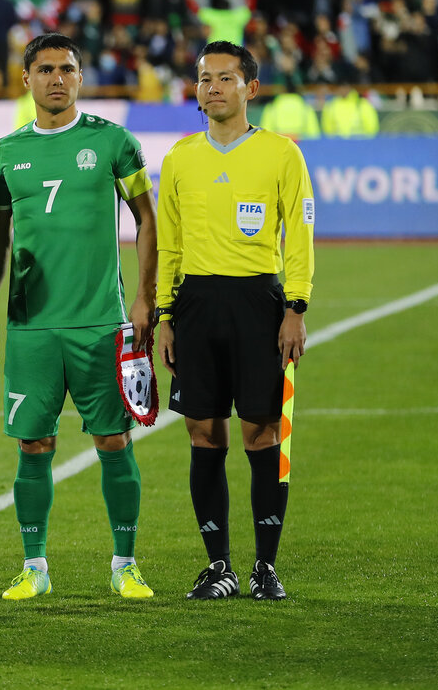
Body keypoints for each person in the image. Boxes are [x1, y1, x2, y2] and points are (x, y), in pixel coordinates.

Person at [0, 33, 158, 601]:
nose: (58, 78)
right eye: (46, 69)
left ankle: (125, 563)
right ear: (25, 78)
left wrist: (145, 298)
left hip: (100, 322)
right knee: (33, 445)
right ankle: (35, 567)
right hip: (31, 325)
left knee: (113, 440)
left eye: (68, 69)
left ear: (81, 77)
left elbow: (147, 220)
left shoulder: (112, 143)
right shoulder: (5, 152)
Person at [156, 40, 315, 601]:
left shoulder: (281, 154)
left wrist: (295, 307)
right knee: (203, 433)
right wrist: (165, 315)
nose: (214, 88)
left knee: (261, 431)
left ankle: (264, 566)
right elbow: (169, 245)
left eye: (225, 79)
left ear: (250, 88)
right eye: (205, 79)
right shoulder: (179, 158)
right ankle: (218, 565)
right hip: (196, 304)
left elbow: (299, 235)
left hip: (259, 304)